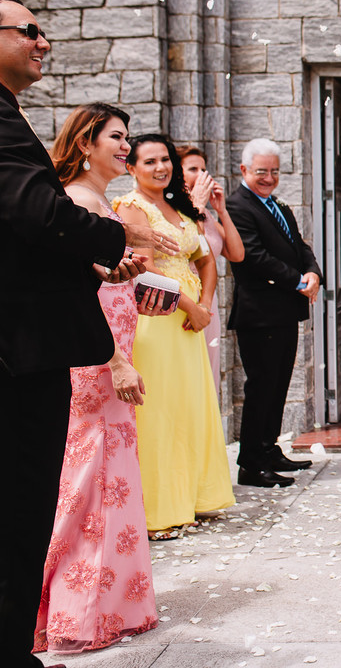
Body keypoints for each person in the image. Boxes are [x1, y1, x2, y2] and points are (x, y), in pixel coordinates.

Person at [0, 0, 168, 668]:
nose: (43, 42)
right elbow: (36, 215)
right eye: (29, 31)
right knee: (33, 503)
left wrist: (102, 262)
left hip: (60, 338)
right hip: (27, 347)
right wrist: (117, 236)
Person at [36, 104, 172, 654]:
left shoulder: (96, 203)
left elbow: (103, 280)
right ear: (85, 143)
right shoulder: (76, 201)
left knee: (108, 477)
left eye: (126, 137)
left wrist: (135, 286)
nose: (125, 146)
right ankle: (76, 611)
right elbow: (75, 295)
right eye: (116, 137)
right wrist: (116, 360)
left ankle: (106, 603)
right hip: (97, 363)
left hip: (111, 353)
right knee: (91, 482)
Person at [115, 134, 235, 540]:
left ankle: (191, 498)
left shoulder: (179, 206)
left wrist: (206, 304)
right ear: (132, 167)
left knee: (189, 407)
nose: (160, 167)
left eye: (165, 159)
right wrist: (189, 306)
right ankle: (159, 510)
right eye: (149, 161)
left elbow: (206, 258)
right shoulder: (131, 207)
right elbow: (145, 269)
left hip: (190, 320)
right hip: (158, 318)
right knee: (160, 412)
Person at [225, 138, 322, 488]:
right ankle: (251, 463)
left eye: (275, 172)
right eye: (261, 171)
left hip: (284, 311)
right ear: (244, 170)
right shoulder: (237, 206)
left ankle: (269, 449)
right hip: (259, 312)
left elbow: (299, 244)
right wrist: (297, 281)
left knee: (278, 385)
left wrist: (312, 272)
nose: (269, 178)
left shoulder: (277, 204)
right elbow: (253, 256)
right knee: (262, 387)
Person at [179, 146, 244, 394]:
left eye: (204, 169)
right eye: (193, 169)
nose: (202, 175)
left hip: (209, 299)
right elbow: (188, 248)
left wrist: (221, 210)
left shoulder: (205, 213)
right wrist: (195, 204)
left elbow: (237, 253)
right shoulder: (174, 210)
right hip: (185, 297)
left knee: (208, 369)